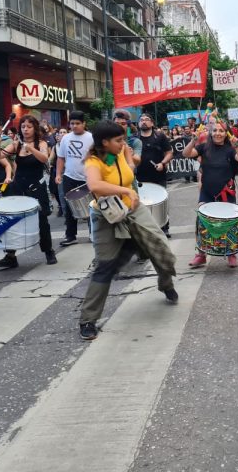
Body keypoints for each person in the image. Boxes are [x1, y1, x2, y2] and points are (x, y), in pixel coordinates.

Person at [78, 121, 179, 341]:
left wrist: (129, 160)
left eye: (123, 138)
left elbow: (128, 172)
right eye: (118, 140)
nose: (123, 142)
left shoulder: (117, 153)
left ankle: (166, 284)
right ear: (104, 142)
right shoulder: (94, 161)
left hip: (134, 209)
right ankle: (88, 319)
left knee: (159, 247)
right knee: (105, 267)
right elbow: (95, 186)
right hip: (107, 215)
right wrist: (125, 190)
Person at [0, 115, 57, 268]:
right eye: (23, 127)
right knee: (13, 221)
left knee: (42, 221)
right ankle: (10, 255)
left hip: (36, 187)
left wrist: (31, 149)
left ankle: (48, 251)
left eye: (29, 126)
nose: (25, 129)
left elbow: (44, 159)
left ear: (35, 128)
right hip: (18, 186)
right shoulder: (16, 144)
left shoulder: (41, 143)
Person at [183, 122, 238, 268]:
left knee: (230, 223)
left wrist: (237, 146)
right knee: (202, 221)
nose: (218, 133)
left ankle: (231, 253)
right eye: (215, 130)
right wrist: (193, 140)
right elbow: (186, 154)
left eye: (221, 131)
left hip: (226, 192)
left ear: (226, 134)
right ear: (210, 133)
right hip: (207, 192)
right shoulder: (204, 147)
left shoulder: (230, 150)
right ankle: (201, 254)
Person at [56, 111, 94, 246]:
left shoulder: (91, 138)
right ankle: (70, 236)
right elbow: (61, 158)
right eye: (72, 123)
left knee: (91, 206)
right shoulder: (65, 138)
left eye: (77, 123)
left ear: (84, 124)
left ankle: (93, 233)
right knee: (69, 207)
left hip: (88, 178)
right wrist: (58, 174)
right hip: (69, 177)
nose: (74, 126)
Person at [134, 113, 173, 237]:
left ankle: (164, 227)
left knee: (161, 202)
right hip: (140, 177)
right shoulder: (134, 138)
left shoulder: (160, 136)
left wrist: (163, 163)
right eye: (141, 120)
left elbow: (169, 153)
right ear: (138, 123)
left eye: (147, 119)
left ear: (152, 123)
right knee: (142, 204)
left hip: (158, 175)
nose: (144, 122)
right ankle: (146, 229)